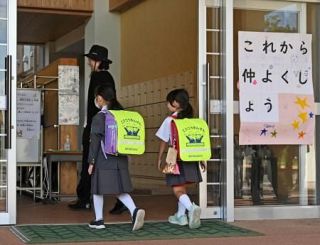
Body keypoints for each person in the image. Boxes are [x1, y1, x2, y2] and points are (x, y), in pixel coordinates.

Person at [69, 45, 127, 214]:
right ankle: (115, 198)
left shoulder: (99, 77)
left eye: (91, 59)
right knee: (105, 164)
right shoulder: (104, 76)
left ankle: (86, 199)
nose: (88, 62)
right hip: (104, 126)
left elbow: (99, 106)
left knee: (92, 162)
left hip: (99, 127)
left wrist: (92, 129)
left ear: (98, 61)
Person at [87, 85, 145, 231]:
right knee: (118, 188)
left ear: (100, 98)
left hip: (103, 159)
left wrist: (91, 162)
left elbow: (94, 142)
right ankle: (134, 210)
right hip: (121, 159)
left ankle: (99, 220)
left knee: (97, 188)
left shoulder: (99, 117)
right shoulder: (122, 115)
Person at [155, 88, 203, 229]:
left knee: (177, 189)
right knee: (182, 188)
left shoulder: (170, 120)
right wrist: (201, 160)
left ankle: (191, 208)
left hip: (174, 158)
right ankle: (181, 217)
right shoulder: (191, 120)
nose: (167, 105)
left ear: (175, 103)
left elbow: (163, 141)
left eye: (169, 102)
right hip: (190, 158)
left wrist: (159, 159)